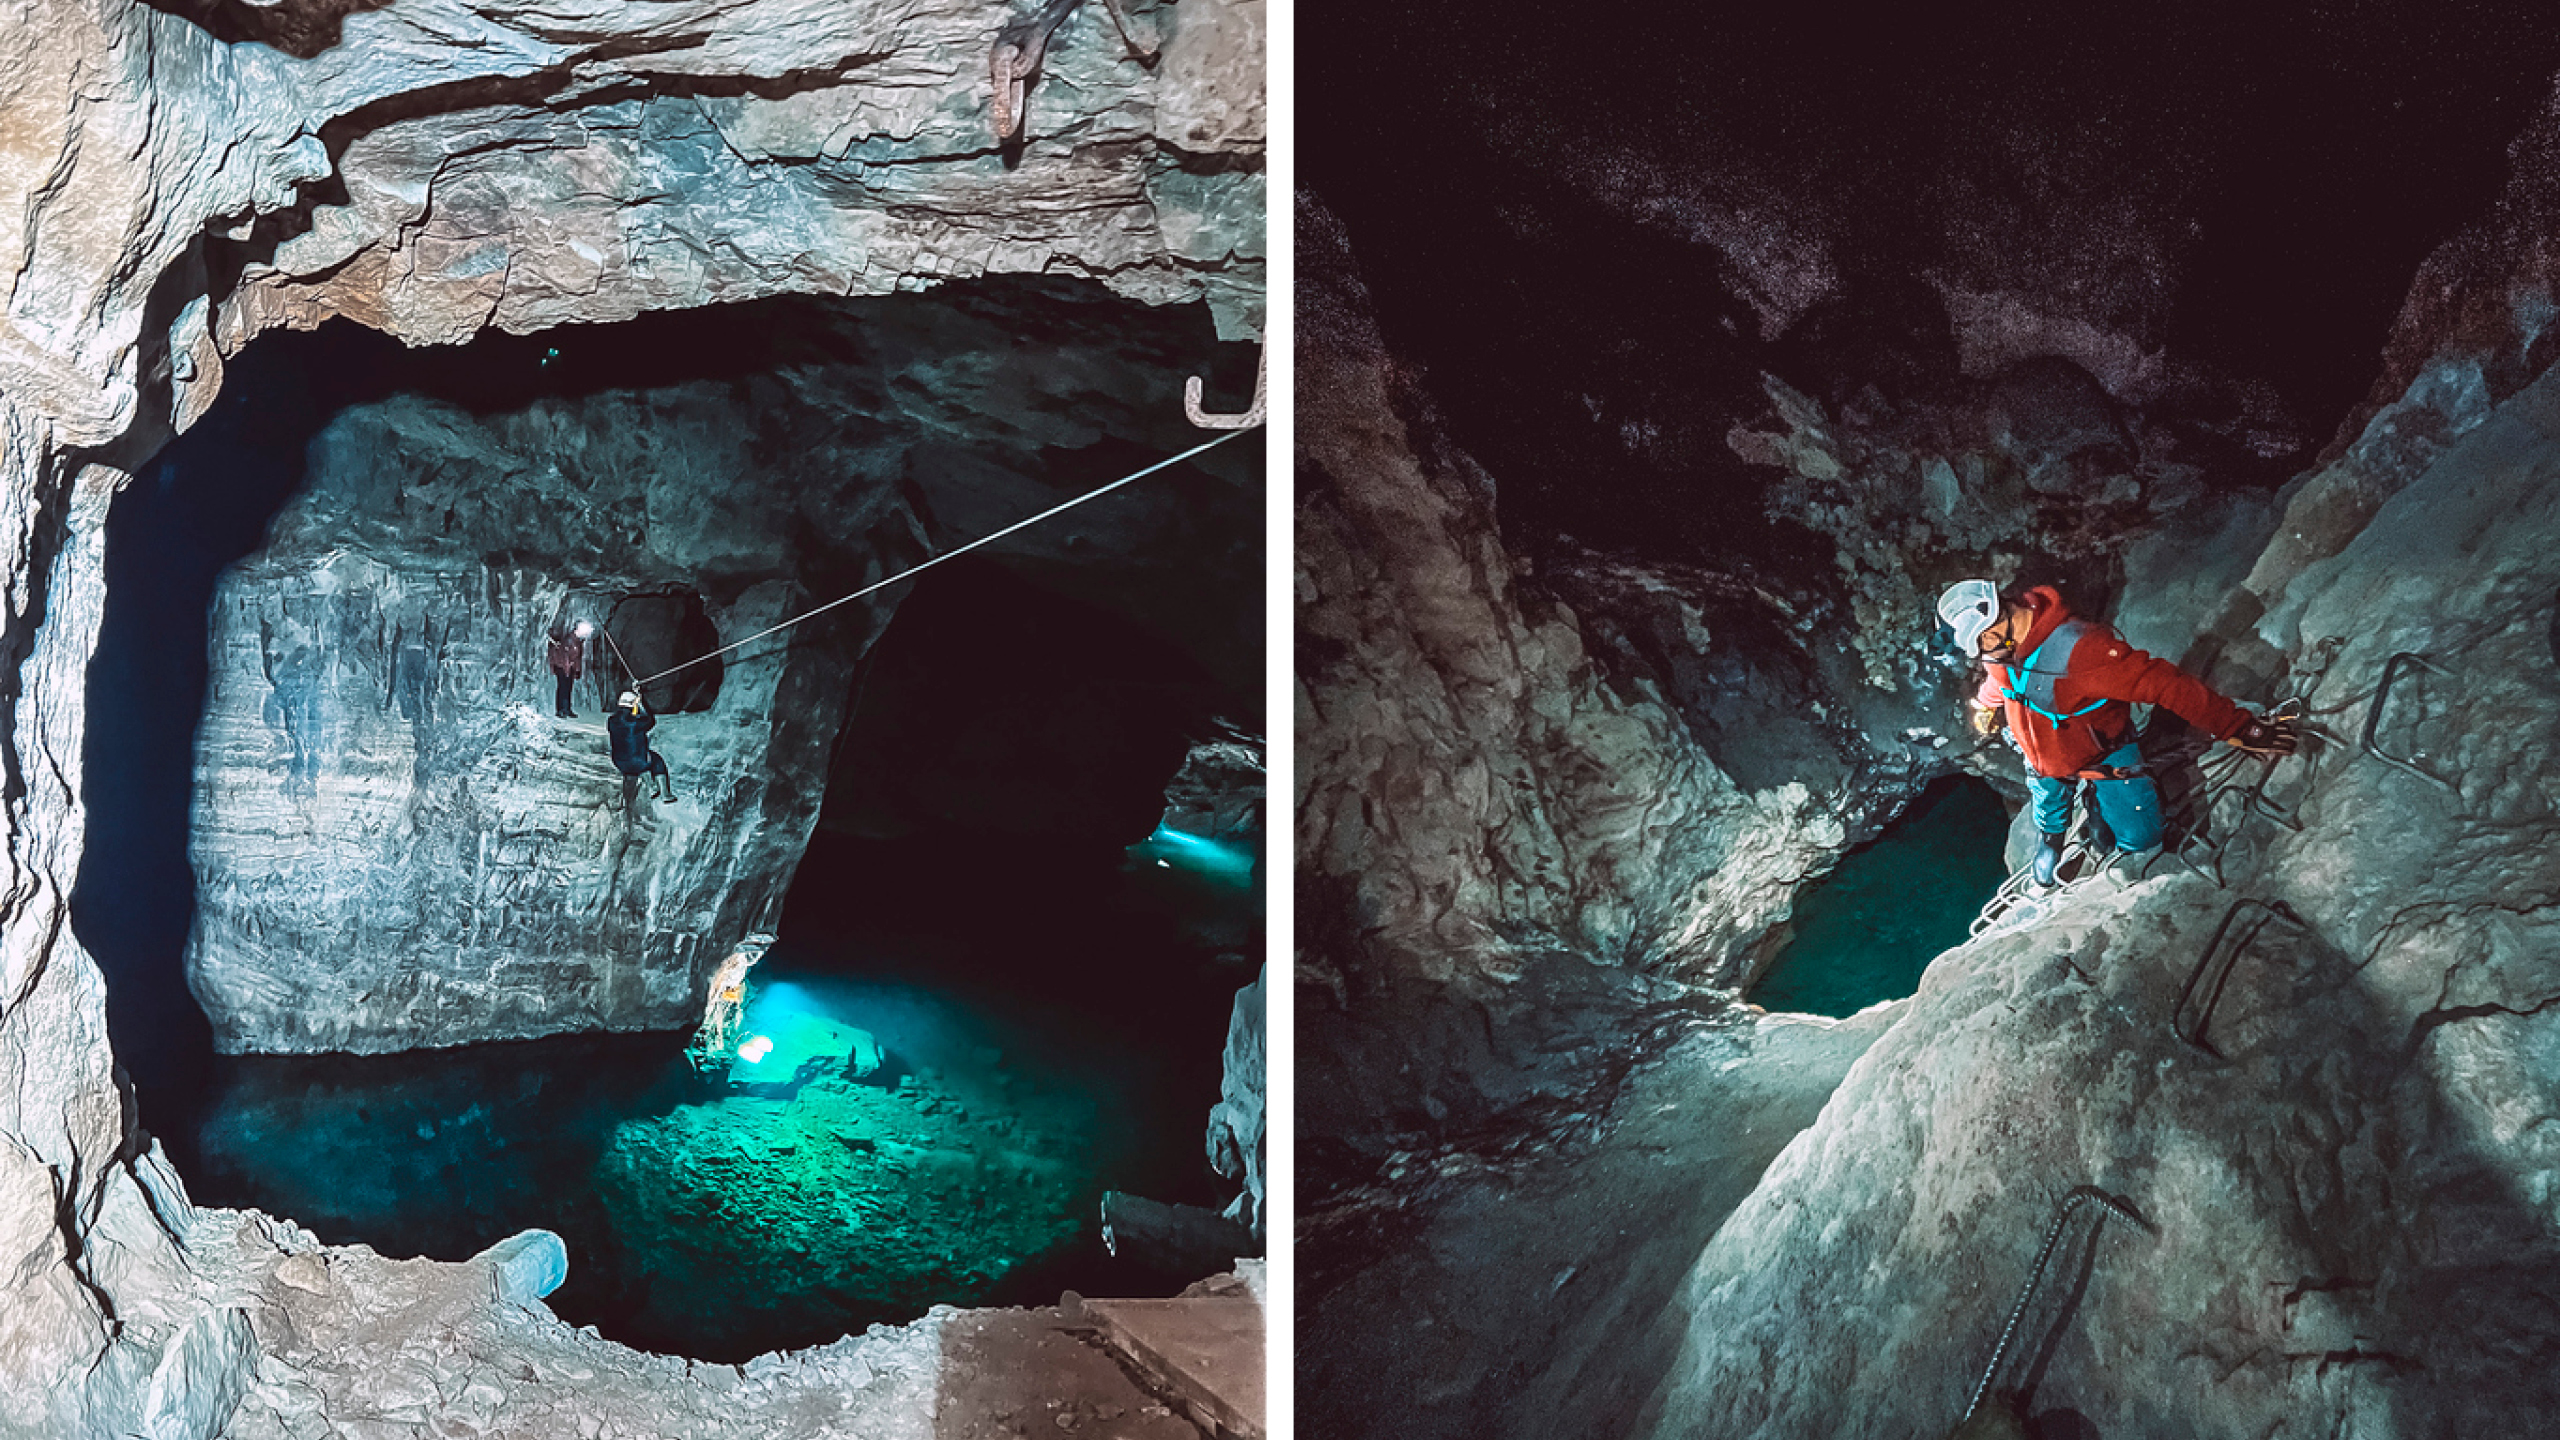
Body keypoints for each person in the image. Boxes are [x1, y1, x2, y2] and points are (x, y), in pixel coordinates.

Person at [1937, 579, 2297, 885]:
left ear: (1998, 624)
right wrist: (1984, 706)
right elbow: (1999, 679)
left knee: (2142, 837)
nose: (1980, 656)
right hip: (2045, 759)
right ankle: (2051, 838)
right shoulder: (2001, 649)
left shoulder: (2083, 652)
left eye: (1980, 645)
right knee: (2048, 795)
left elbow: (2166, 685)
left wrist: (2237, 727)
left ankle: (2119, 828)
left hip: (2105, 755)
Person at [607, 689, 677, 802]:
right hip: (637, 762)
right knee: (656, 761)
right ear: (633, 704)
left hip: (619, 763)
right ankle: (665, 794)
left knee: (638, 757)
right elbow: (651, 720)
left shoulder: (611, 721)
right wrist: (640, 703)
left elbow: (626, 719)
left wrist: (634, 702)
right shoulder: (636, 723)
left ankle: (651, 787)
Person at [547, 622, 587, 719]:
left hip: (570, 668)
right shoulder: (569, 639)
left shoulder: (578, 641)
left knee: (568, 688)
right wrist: (566, 668)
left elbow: (578, 658)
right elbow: (564, 655)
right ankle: (561, 710)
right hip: (562, 667)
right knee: (563, 688)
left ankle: (567, 709)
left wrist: (577, 670)